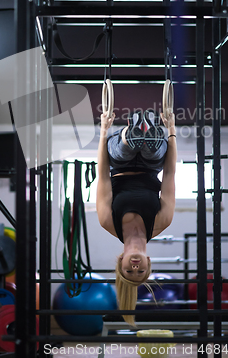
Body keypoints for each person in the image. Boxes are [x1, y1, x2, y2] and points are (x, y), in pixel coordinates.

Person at [96, 108, 177, 325]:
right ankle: (146, 132)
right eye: (140, 270)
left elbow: (102, 175)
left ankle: (131, 135)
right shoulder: (161, 222)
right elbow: (169, 173)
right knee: (156, 152)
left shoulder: (107, 222)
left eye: (129, 270)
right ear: (149, 262)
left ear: (120, 262)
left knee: (122, 150)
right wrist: (171, 130)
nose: (135, 266)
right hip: (151, 168)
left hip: (118, 165)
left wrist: (104, 130)